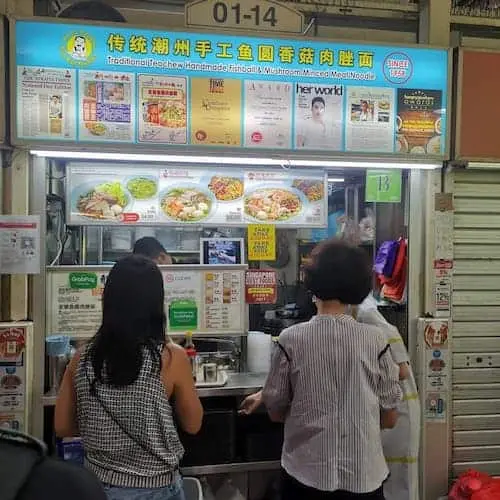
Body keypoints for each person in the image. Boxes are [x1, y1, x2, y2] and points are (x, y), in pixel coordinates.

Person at [261, 239, 401, 499]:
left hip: (305, 476)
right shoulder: (376, 340)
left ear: (311, 280)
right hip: (364, 477)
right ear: (360, 285)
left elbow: (276, 412)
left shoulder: (290, 339)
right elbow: (390, 418)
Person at [55, 255, 203, 500]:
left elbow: (62, 426)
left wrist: (104, 431)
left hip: (98, 487)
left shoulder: (80, 358)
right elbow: (193, 424)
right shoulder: (170, 357)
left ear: (109, 300)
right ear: (157, 303)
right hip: (157, 489)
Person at [354, 294, 420, 500]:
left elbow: (401, 371)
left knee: (396, 482)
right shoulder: (356, 309)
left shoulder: (365, 312)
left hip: (397, 407)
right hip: (386, 407)